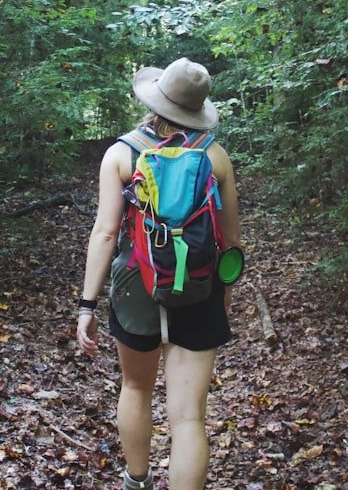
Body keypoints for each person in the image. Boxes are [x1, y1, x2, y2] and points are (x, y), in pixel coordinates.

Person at [76, 57, 241, 490]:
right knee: (188, 418)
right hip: (199, 285)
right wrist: (224, 291)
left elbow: (106, 232)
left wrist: (87, 305)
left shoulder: (121, 154)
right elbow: (231, 241)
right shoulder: (215, 156)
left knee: (136, 388)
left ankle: (137, 482)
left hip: (136, 286)